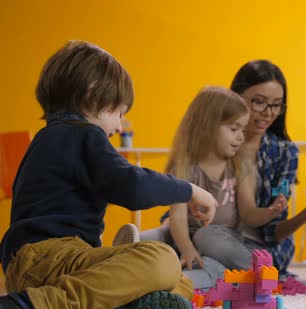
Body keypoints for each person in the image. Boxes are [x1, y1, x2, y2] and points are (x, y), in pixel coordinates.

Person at [0, 41, 218, 309]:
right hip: (48, 259)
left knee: (180, 284)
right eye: (119, 113)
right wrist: (190, 190)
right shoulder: (83, 134)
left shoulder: (48, 137)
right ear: (92, 92)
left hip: (36, 265)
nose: (120, 127)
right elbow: (132, 187)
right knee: (162, 258)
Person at [114, 86, 272, 289]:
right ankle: (129, 255)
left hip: (222, 237)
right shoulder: (184, 167)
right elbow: (177, 217)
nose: (241, 136)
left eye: (242, 129)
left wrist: (269, 212)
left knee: (206, 243)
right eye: (234, 129)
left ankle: (171, 281)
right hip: (182, 236)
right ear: (207, 127)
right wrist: (187, 248)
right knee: (154, 237)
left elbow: (247, 212)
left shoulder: (238, 166)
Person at [230, 60, 306, 280]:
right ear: (235, 98)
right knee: (168, 239)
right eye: (259, 102)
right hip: (212, 235)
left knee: (212, 260)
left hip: (260, 247)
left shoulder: (284, 152)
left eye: (276, 105)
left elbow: (274, 232)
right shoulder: (216, 143)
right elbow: (189, 191)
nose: (268, 113)